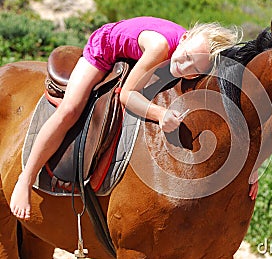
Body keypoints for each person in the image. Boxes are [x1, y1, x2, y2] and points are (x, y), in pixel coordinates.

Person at [10, 16, 258, 220]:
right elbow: (127, 95)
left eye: (195, 69)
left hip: (142, 56)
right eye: (187, 58)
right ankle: (27, 177)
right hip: (104, 49)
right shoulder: (161, 47)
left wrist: (249, 170)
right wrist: (160, 114)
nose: (185, 68)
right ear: (183, 39)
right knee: (70, 110)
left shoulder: (186, 55)